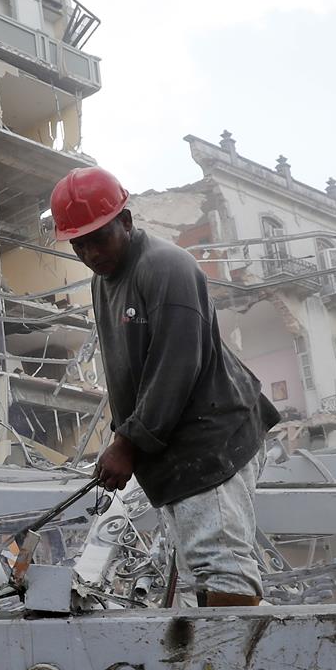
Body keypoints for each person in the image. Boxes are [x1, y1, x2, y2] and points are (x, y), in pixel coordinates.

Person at [54, 166, 280, 606]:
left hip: (211, 442)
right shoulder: (104, 282)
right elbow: (129, 371)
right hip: (178, 450)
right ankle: (224, 645)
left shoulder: (167, 266)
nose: (90, 253)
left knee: (222, 571)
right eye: (79, 244)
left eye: (98, 238)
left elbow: (177, 364)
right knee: (201, 577)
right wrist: (124, 440)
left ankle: (234, 651)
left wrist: (128, 443)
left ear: (125, 221)